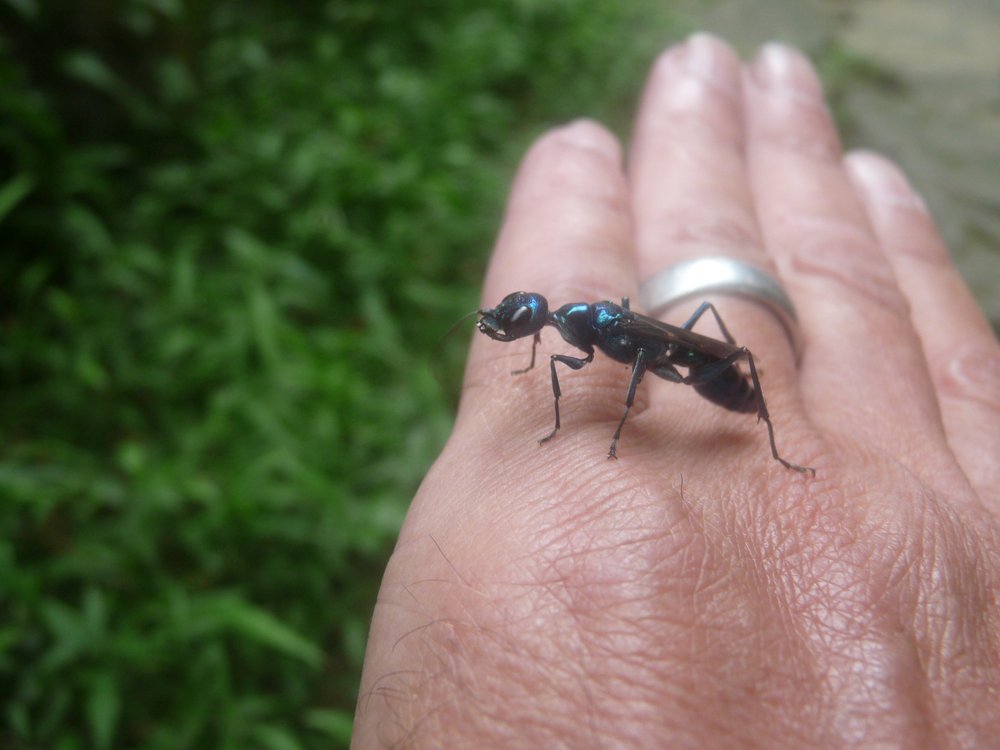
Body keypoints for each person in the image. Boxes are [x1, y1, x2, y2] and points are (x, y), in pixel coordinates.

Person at [353, 34, 1000, 748]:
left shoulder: (600, 327)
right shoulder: (573, 325)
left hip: (711, 376)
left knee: (712, 349)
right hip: (669, 356)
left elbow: (636, 357)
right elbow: (568, 343)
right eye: (520, 322)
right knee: (645, 354)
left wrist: (622, 427)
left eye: (522, 321)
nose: (523, 327)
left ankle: (777, 451)